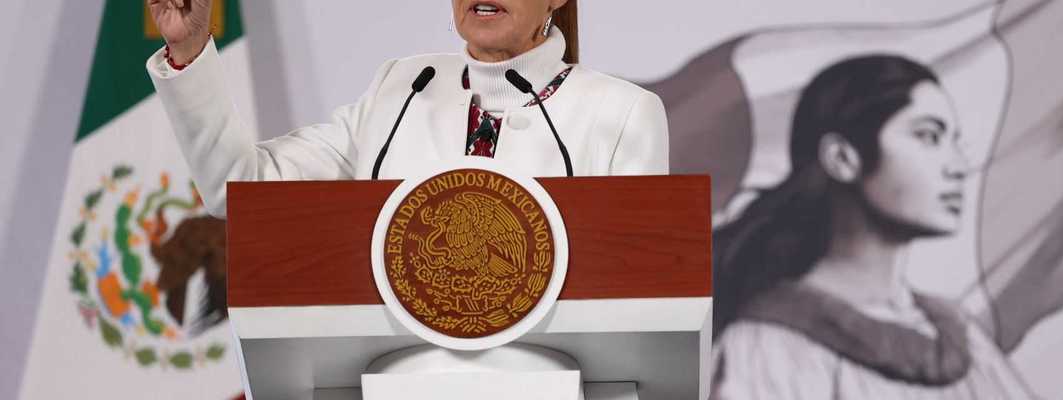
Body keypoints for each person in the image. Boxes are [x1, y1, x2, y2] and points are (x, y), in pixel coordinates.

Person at [144, 0, 669, 216]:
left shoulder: (621, 115)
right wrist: (189, 49)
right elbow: (240, 187)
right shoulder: (402, 89)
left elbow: (645, 298)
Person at [709, 55, 1037, 399]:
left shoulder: (964, 340)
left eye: (955, 141)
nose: (957, 166)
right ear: (842, 159)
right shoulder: (767, 347)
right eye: (928, 136)